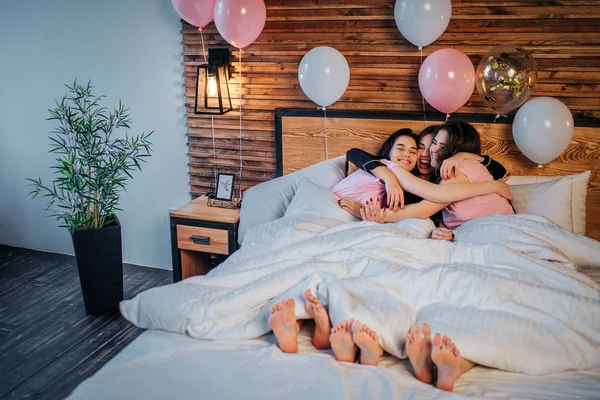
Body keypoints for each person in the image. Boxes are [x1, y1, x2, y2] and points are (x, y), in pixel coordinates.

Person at [332, 128, 513, 219]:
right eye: (420, 148)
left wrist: (461, 155)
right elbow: (354, 153)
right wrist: (388, 178)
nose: (426, 154)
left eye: (435, 146)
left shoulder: (447, 178)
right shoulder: (394, 168)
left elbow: (499, 171)